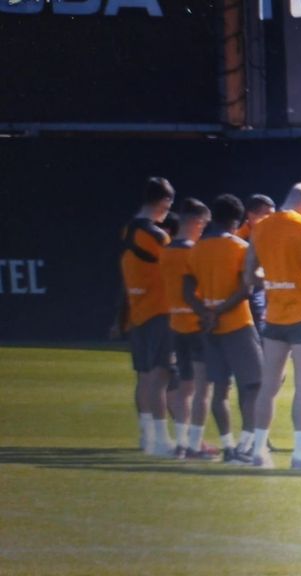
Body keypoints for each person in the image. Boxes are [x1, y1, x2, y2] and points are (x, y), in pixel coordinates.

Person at [247, 183, 301, 470]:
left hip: (274, 316)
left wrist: (276, 280)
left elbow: (249, 276)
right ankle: (300, 454)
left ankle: (259, 451)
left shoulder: (260, 227)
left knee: (268, 386)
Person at [184, 194, 263, 465]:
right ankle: (246, 445)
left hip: (210, 329)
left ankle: (229, 447)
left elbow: (187, 289)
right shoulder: (241, 248)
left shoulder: (196, 250)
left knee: (219, 391)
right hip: (238, 326)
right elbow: (247, 289)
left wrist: (205, 311)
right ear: (238, 220)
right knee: (253, 386)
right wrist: (220, 310)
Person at [121, 177, 176, 456]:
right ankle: (160, 440)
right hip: (159, 312)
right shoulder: (157, 236)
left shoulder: (128, 230)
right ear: (164, 202)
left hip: (138, 312)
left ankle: (147, 436)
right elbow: (174, 270)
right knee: (160, 377)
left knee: (144, 377)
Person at [159, 198, 216, 459]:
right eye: (203, 224)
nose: (203, 229)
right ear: (195, 221)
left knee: (185, 388)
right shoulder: (195, 252)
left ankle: (183, 443)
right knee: (203, 389)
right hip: (198, 325)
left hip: (176, 325)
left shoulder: (167, 251)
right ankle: (195, 444)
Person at [237, 194, 275, 335]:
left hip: (266, 294)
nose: (271, 219)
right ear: (251, 215)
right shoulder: (239, 239)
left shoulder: (270, 236)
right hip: (246, 296)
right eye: (267, 215)